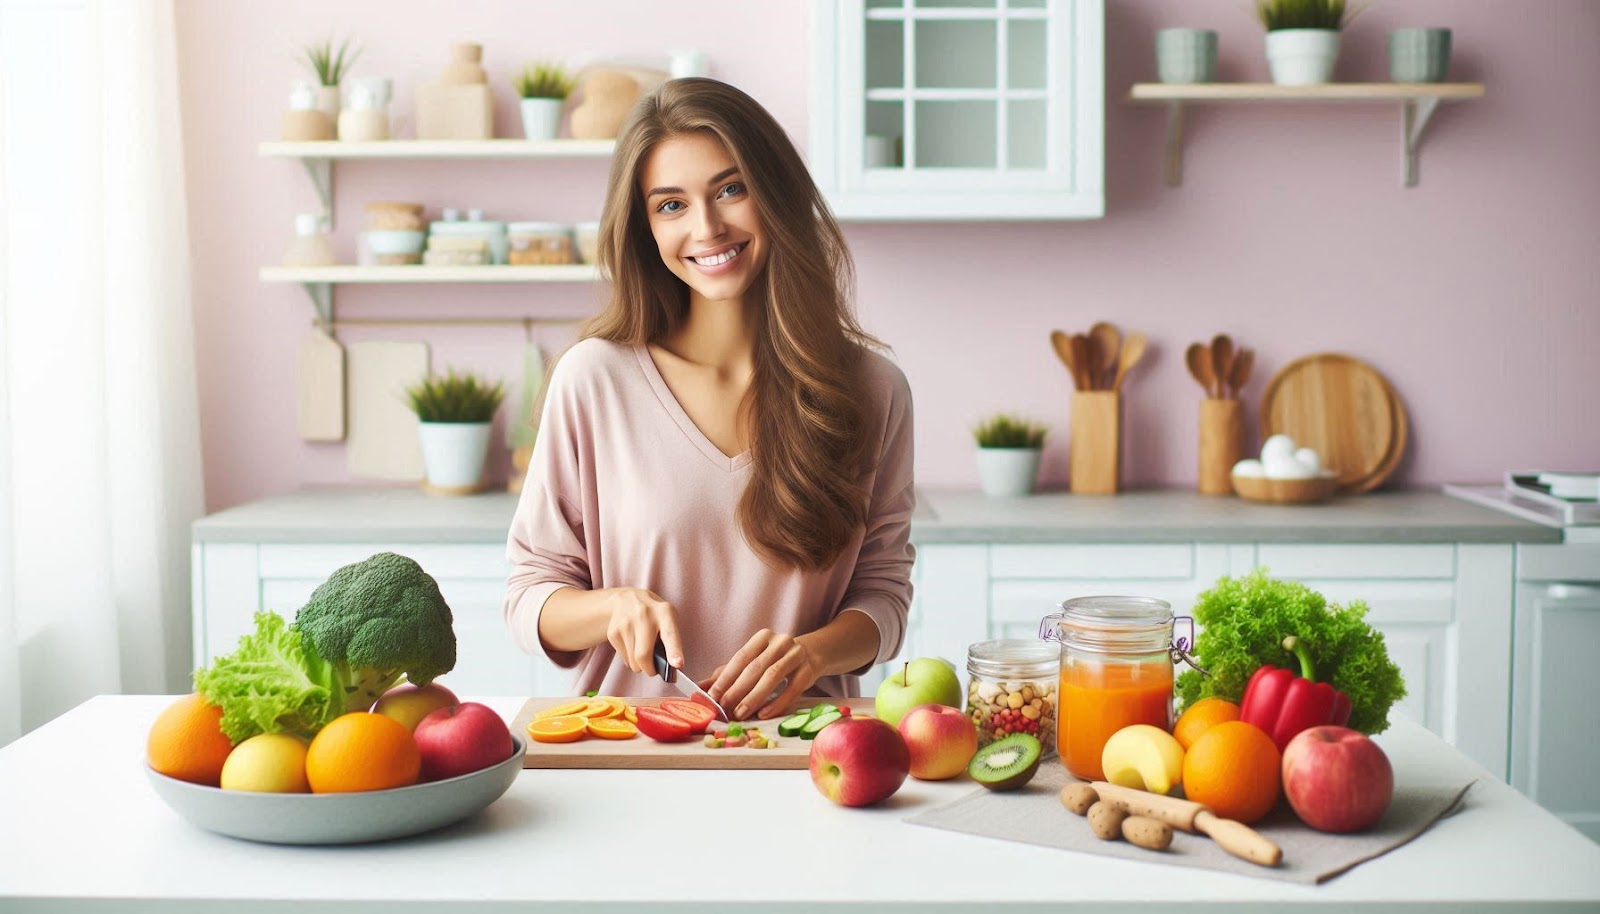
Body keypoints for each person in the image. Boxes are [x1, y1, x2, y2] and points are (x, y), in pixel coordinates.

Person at [502, 77, 915, 721]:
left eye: (731, 189)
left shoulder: (871, 391)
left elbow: (883, 596)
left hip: (805, 759)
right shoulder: (593, 380)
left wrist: (812, 655)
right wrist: (612, 608)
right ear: (644, 227)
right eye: (671, 205)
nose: (708, 226)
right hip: (627, 757)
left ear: (776, 193)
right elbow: (530, 595)